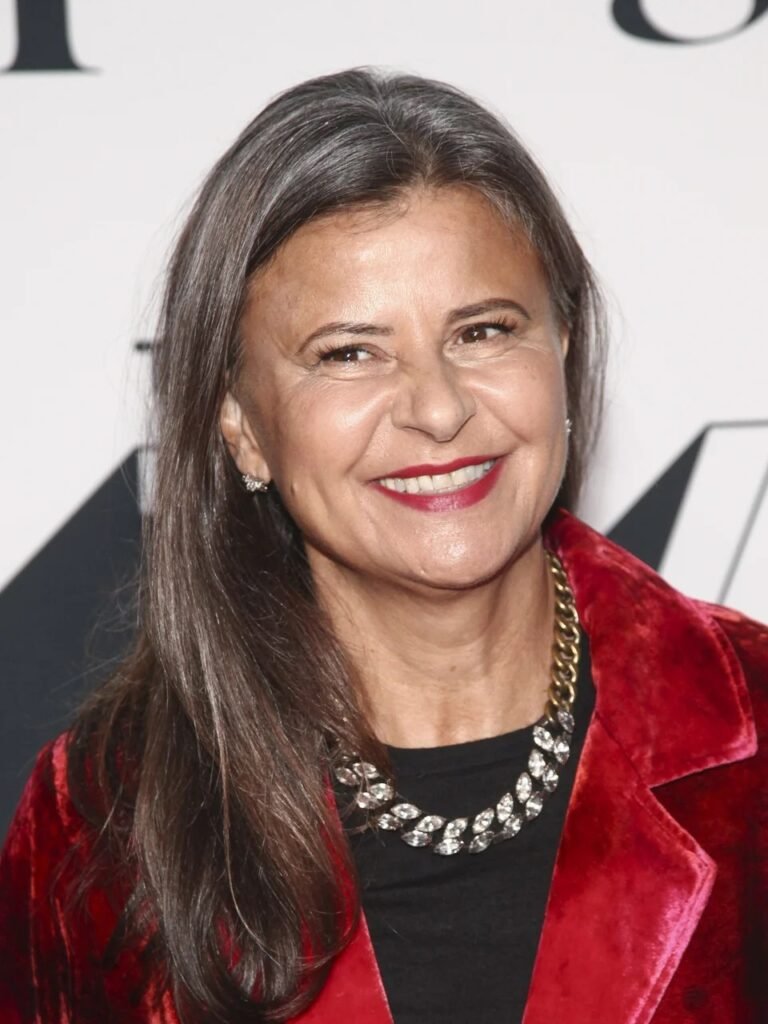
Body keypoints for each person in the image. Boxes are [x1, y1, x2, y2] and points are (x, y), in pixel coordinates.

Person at [0, 67, 766, 1024]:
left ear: (562, 350)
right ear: (241, 423)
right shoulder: (104, 819)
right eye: (350, 353)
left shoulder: (754, 730)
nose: (439, 409)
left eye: (483, 332)